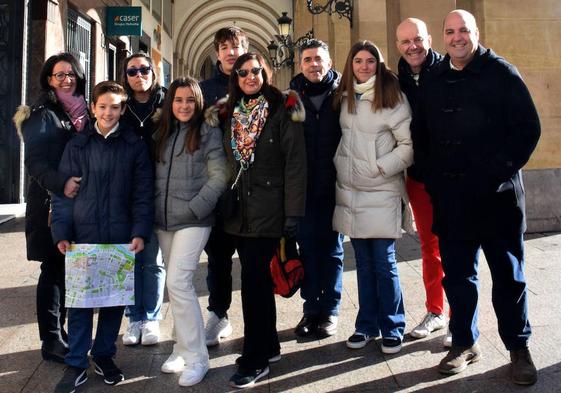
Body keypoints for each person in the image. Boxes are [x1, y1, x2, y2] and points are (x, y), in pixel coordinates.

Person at [412, 9, 540, 385]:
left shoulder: (502, 72)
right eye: (449, 32)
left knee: (508, 276)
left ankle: (519, 348)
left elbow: (528, 129)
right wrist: (433, 178)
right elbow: (421, 135)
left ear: (475, 32)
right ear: (443, 37)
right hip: (452, 198)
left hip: (497, 198)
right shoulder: (432, 79)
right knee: (459, 277)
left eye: (463, 30)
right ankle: (464, 343)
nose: (456, 38)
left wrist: (494, 171)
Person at [50, 81, 153, 392]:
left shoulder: (134, 146)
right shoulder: (77, 145)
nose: (109, 112)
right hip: (83, 235)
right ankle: (77, 362)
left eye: (115, 107)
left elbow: (142, 194)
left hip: (120, 236)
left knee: (113, 302)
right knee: (80, 304)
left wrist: (139, 232)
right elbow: (63, 194)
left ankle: (104, 354)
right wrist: (62, 231)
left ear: (123, 110)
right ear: (93, 107)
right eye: (103, 106)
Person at [222, 52, 306, 388]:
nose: (249, 77)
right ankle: (268, 345)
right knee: (255, 280)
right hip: (239, 212)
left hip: (271, 209)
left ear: (265, 72)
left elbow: (296, 163)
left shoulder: (285, 107)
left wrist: (293, 213)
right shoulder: (229, 111)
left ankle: (254, 359)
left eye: (255, 71)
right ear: (236, 78)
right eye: (242, 73)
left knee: (254, 285)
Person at [332, 40, 413, 355]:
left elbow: (408, 146)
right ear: (350, 65)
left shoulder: (392, 98)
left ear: (378, 65)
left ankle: (393, 326)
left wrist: (381, 168)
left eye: (370, 61)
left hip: (381, 189)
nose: (363, 67)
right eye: (358, 61)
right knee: (364, 264)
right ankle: (367, 325)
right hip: (352, 191)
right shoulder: (345, 98)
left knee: (384, 262)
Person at [13, 52, 87, 364]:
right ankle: (51, 339)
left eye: (71, 73)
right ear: (48, 79)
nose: (66, 79)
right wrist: (62, 184)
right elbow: (35, 163)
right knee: (53, 270)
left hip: (78, 205)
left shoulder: (83, 110)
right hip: (51, 203)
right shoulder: (41, 113)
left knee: (69, 269)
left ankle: (61, 330)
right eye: (60, 75)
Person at [153, 77, 227, 386]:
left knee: (178, 281)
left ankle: (198, 357)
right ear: (170, 102)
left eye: (190, 100)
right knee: (176, 285)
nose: (184, 106)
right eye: (178, 99)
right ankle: (181, 347)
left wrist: (197, 207)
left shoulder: (208, 132)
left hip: (195, 219)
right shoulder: (161, 132)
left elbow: (221, 174)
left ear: (198, 103)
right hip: (163, 219)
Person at [395, 18, 450, 346]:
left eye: (417, 39)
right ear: (398, 45)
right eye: (405, 41)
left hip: (451, 176)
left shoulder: (448, 70)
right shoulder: (396, 80)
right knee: (430, 246)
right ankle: (435, 310)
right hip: (418, 176)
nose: (412, 46)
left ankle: (461, 316)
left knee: (456, 245)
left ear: (429, 39)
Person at [289, 39, 345, 338]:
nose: (314, 64)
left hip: (337, 186)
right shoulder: (290, 99)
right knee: (308, 249)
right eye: (308, 59)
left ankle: (331, 310)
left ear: (329, 62)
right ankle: (311, 309)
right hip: (305, 189)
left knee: (333, 250)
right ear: (300, 65)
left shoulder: (343, 96)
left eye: (319, 59)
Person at [200, 26, 249, 347]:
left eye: (236, 46)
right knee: (217, 257)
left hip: (251, 189)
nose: (231, 52)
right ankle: (218, 314)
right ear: (217, 53)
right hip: (217, 188)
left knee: (254, 259)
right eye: (225, 47)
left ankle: (257, 316)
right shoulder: (203, 90)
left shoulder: (255, 82)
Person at [120, 52, 167, 346]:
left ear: (154, 71)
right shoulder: (118, 104)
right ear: (125, 76)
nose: (139, 75)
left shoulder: (166, 101)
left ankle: (150, 317)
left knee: (150, 258)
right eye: (132, 71)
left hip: (156, 189)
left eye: (144, 69)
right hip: (122, 191)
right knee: (128, 257)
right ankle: (133, 318)